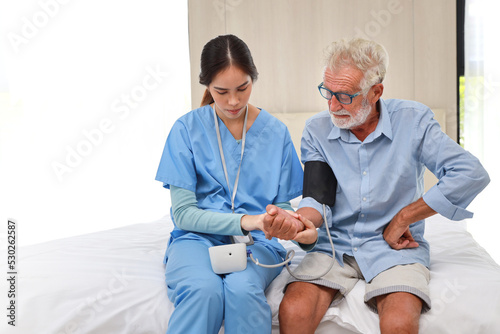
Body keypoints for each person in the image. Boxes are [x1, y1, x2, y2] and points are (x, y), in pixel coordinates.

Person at [263, 38, 490, 334]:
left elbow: (470, 173)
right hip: (334, 245)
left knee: (398, 322)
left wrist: (405, 217)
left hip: (396, 249)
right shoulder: (317, 130)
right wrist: (299, 224)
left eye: (344, 96)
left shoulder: (414, 121)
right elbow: (317, 198)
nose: (332, 105)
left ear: (376, 91)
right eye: (327, 92)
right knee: (292, 310)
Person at [155, 34, 305, 334]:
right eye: (221, 91)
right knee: (202, 291)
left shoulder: (275, 133)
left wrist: (283, 220)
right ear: (207, 85)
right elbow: (184, 214)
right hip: (197, 238)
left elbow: (285, 203)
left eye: (243, 88)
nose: (233, 101)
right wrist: (248, 220)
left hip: (258, 244)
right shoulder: (186, 130)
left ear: (254, 79)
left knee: (242, 289)